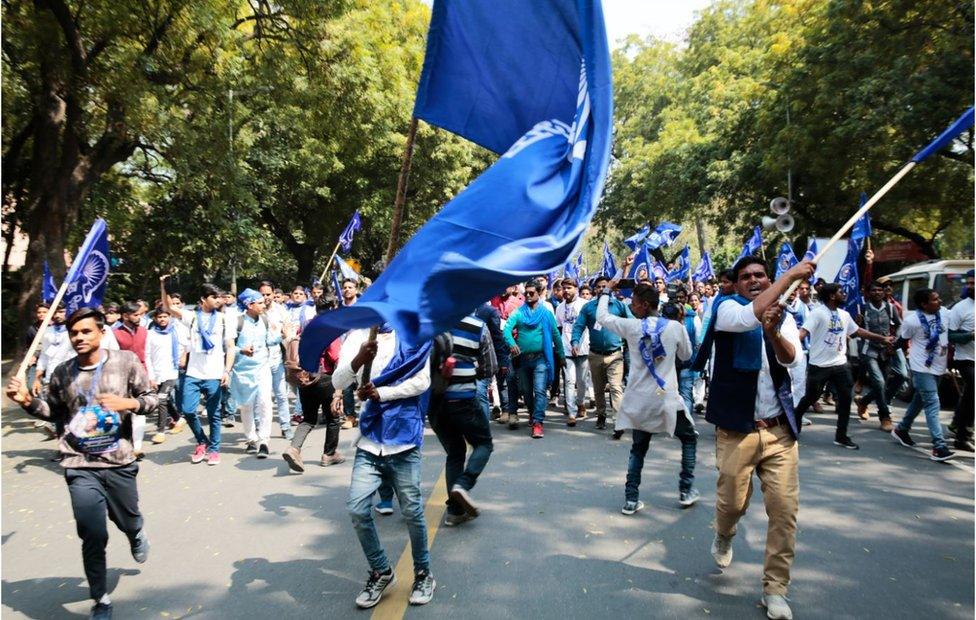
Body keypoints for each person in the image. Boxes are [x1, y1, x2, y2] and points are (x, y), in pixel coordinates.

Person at [6, 307, 156, 620]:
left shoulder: (125, 362)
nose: (79, 337)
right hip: (79, 464)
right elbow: (52, 411)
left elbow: (153, 399)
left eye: (86, 331)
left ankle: (135, 532)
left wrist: (130, 403)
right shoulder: (62, 372)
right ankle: (100, 599)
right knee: (92, 533)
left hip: (118, 461)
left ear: (102, 332)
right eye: (75, 333)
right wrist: (26, 402)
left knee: (127, 520)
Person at [695, 257, 814, 620]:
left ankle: (775, 589)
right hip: (736, 431)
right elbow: (751, 315)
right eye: (745, 277)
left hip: (779, 432)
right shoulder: (727, 309)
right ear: (736, 284)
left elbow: (791, 359)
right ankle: (725, 533)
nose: (753, 280)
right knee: (731, 504)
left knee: (784, 512)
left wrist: (773, 332)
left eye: (760, 275)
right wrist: (792, 275)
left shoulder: (784, 317)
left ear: (768, 278)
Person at [333, 326, 436, 608]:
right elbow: (338, 380)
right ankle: (381, 571)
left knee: (413, 511)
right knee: (356, 508)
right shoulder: (357, 337)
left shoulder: (414, 336)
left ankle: (423, 574)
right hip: (370, 439)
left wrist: (382, 393)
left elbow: (421, 381)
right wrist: (358, 359)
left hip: (404, 437)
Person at [597, 281, 698, 512]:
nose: (631, 306)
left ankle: (631, 499)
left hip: (640, 401)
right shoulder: (675, 327)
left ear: (644, 305)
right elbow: (687, 355)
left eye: (633, 302)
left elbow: (602, 316)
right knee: (689, 438)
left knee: (638, 449)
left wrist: (605, 291)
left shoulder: (631, 327)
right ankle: (686, 489)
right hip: (667, 400)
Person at [792, 283, 893, 449]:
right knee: (810, 397)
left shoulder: (845, 315)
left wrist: (882, 339)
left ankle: (841, 436)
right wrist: (788, 349)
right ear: (832, 296)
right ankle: (795, 419)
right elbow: (802, 333)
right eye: (841, 292)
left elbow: (858, 331)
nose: (844, 294)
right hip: (819, 365)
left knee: (846, 399)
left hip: (840, 364)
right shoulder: (817, 314)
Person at [428, 312, 497, 527]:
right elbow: (490, 368)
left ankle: (455, 512)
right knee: (484, 444)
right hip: (463, 400)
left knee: (455, 453)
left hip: (434, 404)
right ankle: (463, 484)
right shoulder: (477, 326)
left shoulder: (430, 323)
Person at [164, 282, 235, 465]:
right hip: (194, 373)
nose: (218, 300)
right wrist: (163, 284)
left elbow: (230, 347)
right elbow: (169, 307)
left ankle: (214, 449)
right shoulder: (192, 317)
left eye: (219, 297)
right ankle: (202, 441)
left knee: (214, 414)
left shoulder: (225, 319)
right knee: (188, 410)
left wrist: (226, 371)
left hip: (214, 373)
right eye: (214, 297)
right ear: (203, 299)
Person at [891, 288, 955, 461]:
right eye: (935, 299)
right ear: (924, 304)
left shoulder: (945, 313)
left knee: (920, 399)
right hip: (921, 367)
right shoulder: (912, 321)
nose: (940, 301)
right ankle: (939, 446)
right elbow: (903, 341)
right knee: (933, 403)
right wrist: (889, 350)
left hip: (939, 365)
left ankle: (902, 429)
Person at [282, 297, 345, 472]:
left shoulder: (307, 325)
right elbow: (336, 357)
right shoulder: (331, 328)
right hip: (325, 378)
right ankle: (329, 454)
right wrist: (340, 388)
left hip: (306, 379)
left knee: (309, 419)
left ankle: (294, 448)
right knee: (333, 417)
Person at [503, 281, 565, 438]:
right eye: (527, 293)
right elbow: (507, 330)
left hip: (540, 360)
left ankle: (538, 422)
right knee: (526, 391)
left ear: (539, 293)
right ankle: (532, 413)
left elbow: (556, 335)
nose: (529, 296)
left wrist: (561, 355)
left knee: (539, 390)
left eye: (532, 293)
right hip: (523, 360)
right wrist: (511, 344)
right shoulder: (519, 312)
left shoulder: (546, 313)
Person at [572, 275, 629, 433]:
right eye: (598, 287)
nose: (602, 289)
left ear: (610, 288)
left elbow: (631, 322)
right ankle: (601, 415)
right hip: (595, 354)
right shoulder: (589, 308)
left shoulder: (619, 306)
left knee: (616, 387)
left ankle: (618, 422)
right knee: (598, 388)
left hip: (615, 354)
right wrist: (575, 342)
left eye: (605, 286)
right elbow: (578, 326)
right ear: (594, 289)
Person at [229, 289, 276, 458]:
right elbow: (226, 347)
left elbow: (270, 340)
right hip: (242, 371)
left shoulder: (264, 319)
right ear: (250, 305)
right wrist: (241, 350)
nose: (264, 305)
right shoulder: (237, 322)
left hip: (263, 367)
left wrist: (283, 333)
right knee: (246, 405)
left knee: (265, 403)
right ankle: (250, 439)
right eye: (261, 302)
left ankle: (263, 441)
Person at [856, 281, 902, 431]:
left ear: (884, 292)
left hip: (886, 351)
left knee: (882, 383)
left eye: (879, 290)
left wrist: (895, 342)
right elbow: (856, 329)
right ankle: (885, 417)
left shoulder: (890, 307)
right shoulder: (862, 308)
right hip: (869, 350)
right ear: (868, 293)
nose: (877, 293)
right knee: (879, 382)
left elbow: (899, 325)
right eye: (873, 290)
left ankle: (864, 401)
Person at [145, 307, 187, 444]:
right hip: (156, 373)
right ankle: (179, 419)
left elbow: (187, 345)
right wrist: (151, 375)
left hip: (171, 372)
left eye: (165, 316)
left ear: (169, 317)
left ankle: (160, 431)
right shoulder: (150, 334)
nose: (162, 319)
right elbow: (147, 355)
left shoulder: (176, 331)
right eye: (159, 317)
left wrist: (182, 357)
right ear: (155, 319)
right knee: (165, 398)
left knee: (161, 399)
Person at [258, 281, 293, 440]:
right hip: (259, 361)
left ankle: (286, 426)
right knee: (260, 397)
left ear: (274, 294)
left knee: (281, 395)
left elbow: (288, 331)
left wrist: (287, 335)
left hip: (277, 359)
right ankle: (258, 427)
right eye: (262, 294)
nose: (265, 297)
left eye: (268, 294)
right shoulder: (255, 311)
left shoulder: (281, 311)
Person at [556, 279, 590, 426]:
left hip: (583, 348)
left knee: (581, 381)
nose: (566, 291)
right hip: (566, 349)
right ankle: (571, 412)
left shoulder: (585, 305)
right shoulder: (559, 308)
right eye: (564, 288)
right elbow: (559, 328)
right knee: (569, 381)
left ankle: (581, 402)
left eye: (569, 288)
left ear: (576, 288)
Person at [948, 271, 974, 451]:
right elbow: (950, 335)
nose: (971, 286)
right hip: (965, 359)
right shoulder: (960, 308)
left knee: (970, 395)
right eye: (970, 283)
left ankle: (958, 422)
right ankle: (963, 436)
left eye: (975, 283)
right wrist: (969, 335)